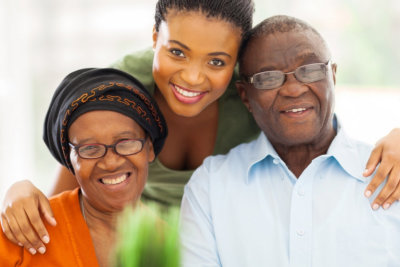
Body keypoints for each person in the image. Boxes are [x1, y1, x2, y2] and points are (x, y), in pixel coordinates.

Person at [1, 0, 400, 255]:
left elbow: (316, 126)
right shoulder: (123, 89)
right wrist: (20, 191)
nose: (192, 78)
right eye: (176, 52)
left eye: (216, 61)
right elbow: (73, 184)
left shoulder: (254, 96)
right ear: (155, 37)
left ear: (240, 69)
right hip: (137, 246)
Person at [180, 15, 400, 266]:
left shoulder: (391, 175)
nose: (293, 89)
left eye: (310, 70)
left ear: (333, 76)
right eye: (268, 78)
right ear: (245, 96)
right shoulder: (210, 187)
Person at [0, 68, 168, 266]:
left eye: (126, 142)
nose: (111, 162)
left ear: (149, 148)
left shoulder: (175, 245)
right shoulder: (24, 231)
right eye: (90, 148)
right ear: (69, 160)